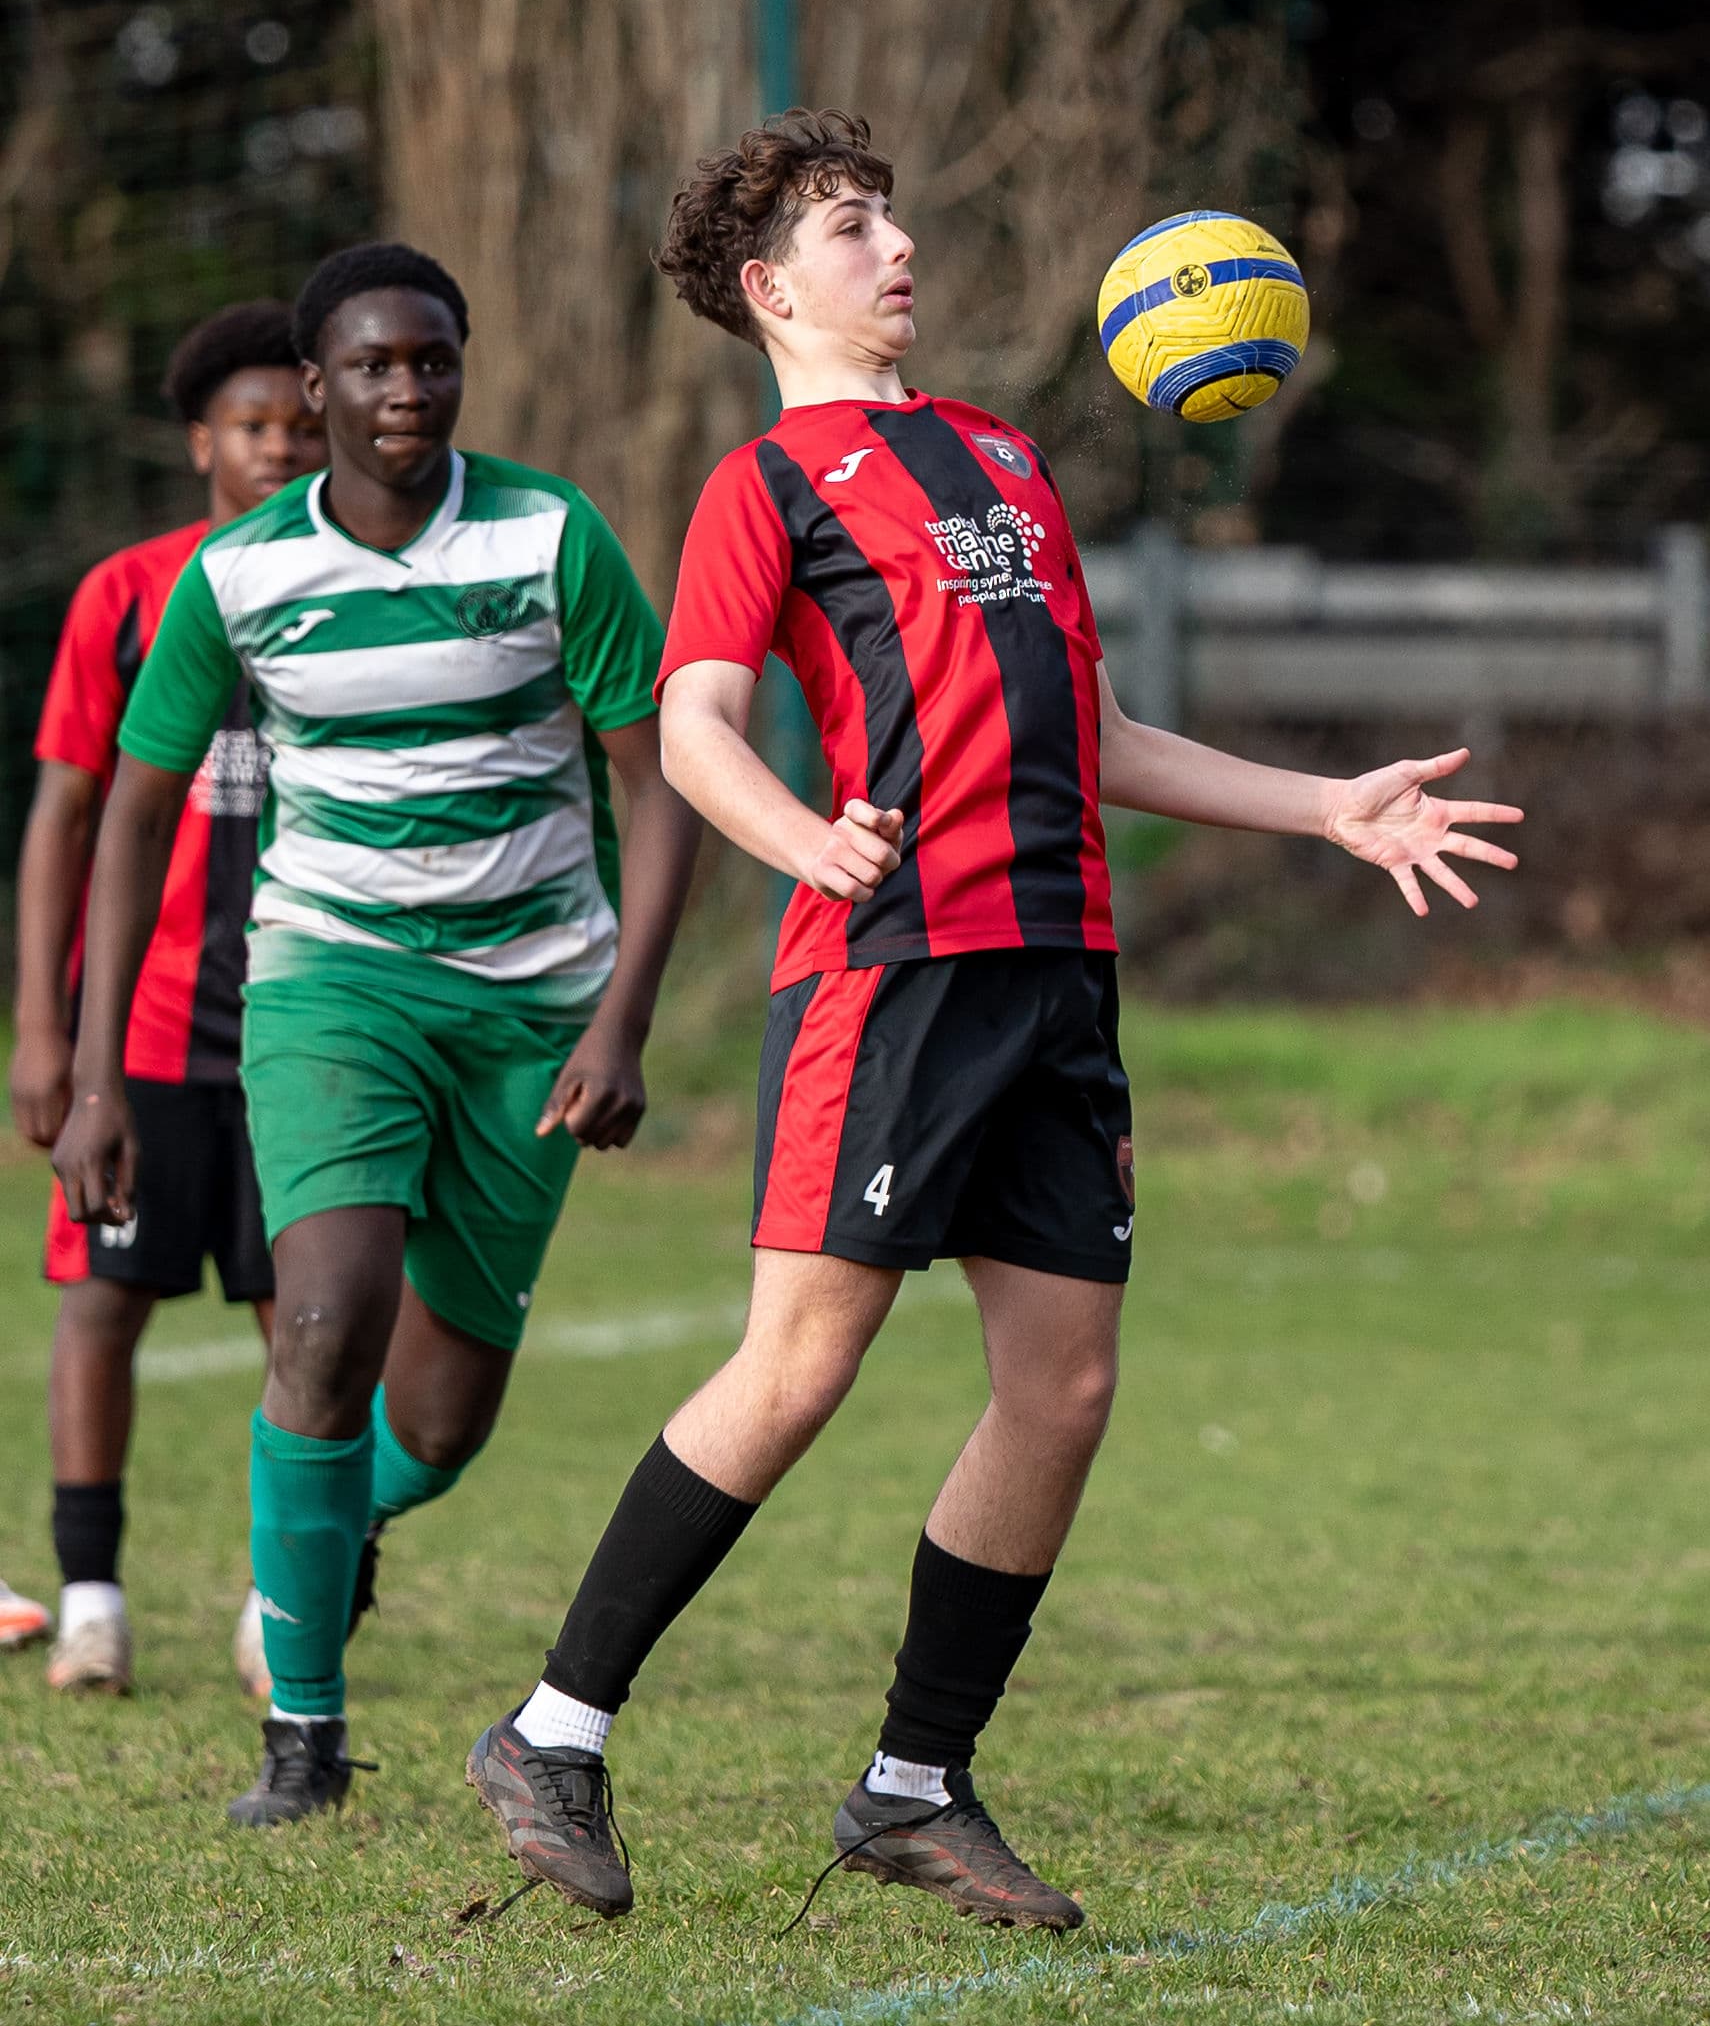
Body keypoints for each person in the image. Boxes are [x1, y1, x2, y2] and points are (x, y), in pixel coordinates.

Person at [465, 109, 1524, 1929]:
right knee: (800, 1362)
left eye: (887, 219)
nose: (893, 250)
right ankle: (553, 1728)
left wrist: (1329, 801)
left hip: (1056, 969)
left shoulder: (1002, 457)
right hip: (894, 967)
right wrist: (813, 842)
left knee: (1067, 1383)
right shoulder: (768, 484)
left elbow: (1093, 736)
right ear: (765, 285)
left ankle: (912, 1782)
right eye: (848, 227)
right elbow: (699, 726)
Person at [53, 240, 700, 1826]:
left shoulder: (553, 536)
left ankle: (343, 1525)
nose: (404, 388)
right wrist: (91, 1070)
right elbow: (131, 813)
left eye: (431, 359)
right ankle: (306, 1727)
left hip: (532, 1004)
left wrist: (621, 1018)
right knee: (323, 1322)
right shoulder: (241, 574)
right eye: (371, 365)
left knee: (441, 1416)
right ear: (319, 382)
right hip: (328, 982)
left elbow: (655, 782)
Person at [11, 301, 325, 1697]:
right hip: (138, 1032)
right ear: (202, 440)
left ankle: (285, 1601)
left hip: (306, 1024)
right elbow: (65, 818)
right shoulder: (128, 593)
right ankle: (92, 1598)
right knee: (104, 1306)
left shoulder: (352, 584)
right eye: (256, 425)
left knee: (304, 1313)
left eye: (301, 424)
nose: (282, 445)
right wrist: (45, 1031)